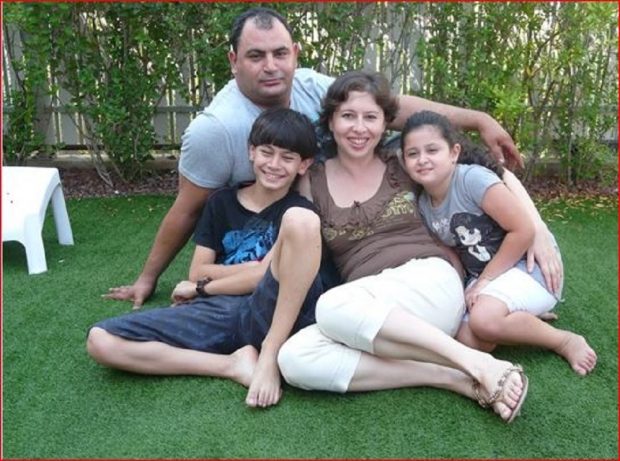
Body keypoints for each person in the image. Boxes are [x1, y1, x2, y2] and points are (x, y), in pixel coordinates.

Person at [105, 6, 525, 308]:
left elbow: (391, 107)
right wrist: (148, 278)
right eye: (255, 56)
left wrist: (478, 119)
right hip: (280, 233)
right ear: (233, 61)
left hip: (346, 215)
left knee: (438, 162)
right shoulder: (215, 129)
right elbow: (187, 208)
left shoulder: (310, 85)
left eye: (280, 53)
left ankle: (521, 247)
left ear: (296, 53)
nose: (271, 66)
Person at [276, 70, 538, 423]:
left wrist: (538, 230)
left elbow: (493, 173)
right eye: (348, 116)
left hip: (430, 281)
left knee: (331, 306)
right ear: (331, 121)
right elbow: (284, 232)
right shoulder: (311, 180)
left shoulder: (402, 160)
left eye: (371, 117)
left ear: (386, 123)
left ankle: (479, 363)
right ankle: (454, 376)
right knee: (294, 358)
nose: (359, 128)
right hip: (371, 306)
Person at [88, 108, 325, 408]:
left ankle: (268, 354)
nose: (274, 164)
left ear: (303, 164)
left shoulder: (300, 213)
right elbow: (198, 268)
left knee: (299, 221)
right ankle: (231, 365)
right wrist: (252, 270)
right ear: (252, 152)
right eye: (267, 152)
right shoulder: (221, 203)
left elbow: (253, 278)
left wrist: (204, 287)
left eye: (288, 157)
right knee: (101, 340)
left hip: (271, 311)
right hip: (219, 312)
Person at [399, 110, 597, 376]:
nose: (422, 159)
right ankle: (520, 317)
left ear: (454, 152)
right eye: (413, 154)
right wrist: (461, 291)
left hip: (528, 266)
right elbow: (453, 253)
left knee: (484, 320)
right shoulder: (424, 204)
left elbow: (523, 229)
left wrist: (485, 281)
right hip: (487, 278)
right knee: (470, 338)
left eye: (432, 150)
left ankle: (563, 340)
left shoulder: (471, 180)